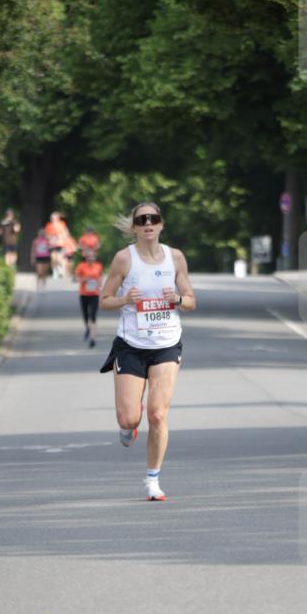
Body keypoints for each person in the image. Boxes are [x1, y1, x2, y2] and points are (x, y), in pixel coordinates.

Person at [99, 202, 195, 501]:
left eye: (153, 219)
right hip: (131, 344)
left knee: (157, 414)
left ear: (161, 224)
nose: (148, 224)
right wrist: (125, 299)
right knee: (129, 418)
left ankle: (153, 480)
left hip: (166, 343)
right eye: (142, 220)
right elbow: (104, 300)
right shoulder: (123, 259)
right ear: (135, 227)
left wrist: (178, 298)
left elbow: (191, 300)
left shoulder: (175, 257)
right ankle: (129, 428)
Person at [75, 249, 104, 348]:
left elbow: (100, 276)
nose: (91, 259)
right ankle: (87, 328)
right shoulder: (81, 266)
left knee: (93, 316)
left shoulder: (98, 266)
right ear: (86, 258)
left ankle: (93, 338)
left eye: (93, 257)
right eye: (89, 257)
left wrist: (100, 283)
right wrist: (84, 279)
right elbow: (76, 278)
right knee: (85, 316)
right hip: (84, 294)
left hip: (94, 294)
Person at [45, 211, 69, 279]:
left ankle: (61, 269)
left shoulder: (62, 224)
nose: (52, 219)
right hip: (52, 244)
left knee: (59, 258)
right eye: (51, 218)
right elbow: (46, 235)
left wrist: (62, 237)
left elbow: (66, 233)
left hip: (60, 243)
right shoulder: (48, 225)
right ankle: (55, 271)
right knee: (53, 258)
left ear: (58, 218)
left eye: (54, 217)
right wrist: (50, 238)